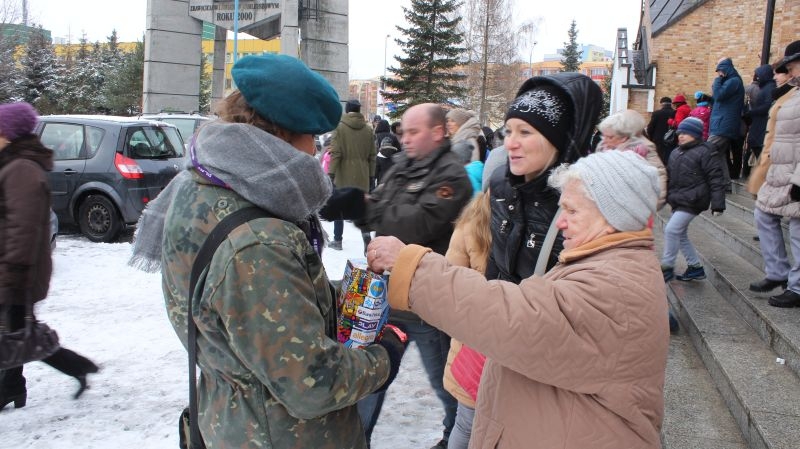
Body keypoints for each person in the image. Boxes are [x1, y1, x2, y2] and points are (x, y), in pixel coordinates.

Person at [130, 54, 406, 448]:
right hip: (280, 435)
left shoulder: (203, 183)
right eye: (312, 137)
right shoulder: (259, 243)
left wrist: (349, 294)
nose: (315, 152)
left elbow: (254, 311)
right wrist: (385, 356)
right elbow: (312, 383)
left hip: (236, 418)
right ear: (283, 135)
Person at [367, 150, 669, 449]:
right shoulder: (612, 263)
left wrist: (413, 267)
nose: (561, 223)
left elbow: (515, 317)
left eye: (573, 211)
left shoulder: (615, 285)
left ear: (613, 215)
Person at [320, 103, 472, 449]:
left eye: (414, 132)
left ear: (438, 132)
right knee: (370, 379)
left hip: (425, 304)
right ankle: (356, 440)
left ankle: (455, 438)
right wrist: (356, 204)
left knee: (446, 383)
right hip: (386, 295)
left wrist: (366, 206)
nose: (405, 139)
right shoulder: (404, 164)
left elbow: (416, 225)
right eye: (403, 131)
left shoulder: (452, 176)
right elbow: (381, 205)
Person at [0, 102, 99, 410]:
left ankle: (15, 386)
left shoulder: (22, 169)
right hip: (13, 266)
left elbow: (24, 227)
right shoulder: (13, 163)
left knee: (16, 328)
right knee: (17, 330)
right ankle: (15, 386)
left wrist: (13, 276)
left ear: (9, 133)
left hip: (16, 268)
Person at [750, 40, 800, 308]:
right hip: (781, 169)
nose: (788, 71)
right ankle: (778, 271)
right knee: (764, 213)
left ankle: (797, 287)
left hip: (794, 172)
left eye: (792, 66)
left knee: (798, 228)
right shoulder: (792, 92)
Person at [441, 192, 491, 449]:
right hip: (485, 347)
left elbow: (452, 288)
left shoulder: (470, 221)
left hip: (473, 345)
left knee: (466, 423)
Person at [660, 117, 726, 282]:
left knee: (671, 230)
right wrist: (663, 196)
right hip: (678, 199)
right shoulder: (675, 152)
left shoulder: (706, 151)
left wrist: (718, 204)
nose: (681, 136)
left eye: (686, 133)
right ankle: (695, 267)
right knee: (680, 234)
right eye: (680, 132)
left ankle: (667, 267)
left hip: (694, 199)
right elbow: (669, 177)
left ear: (696, 134)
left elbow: (716, 178)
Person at [328, 99, 376, 251]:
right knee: (361, 207)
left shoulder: (339, 128)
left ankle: (337, 240)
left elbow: (336, 153)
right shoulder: (368, 130)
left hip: (343, 174)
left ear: (347, 109)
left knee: (340, 206)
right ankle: (366, 236)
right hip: (363, 174)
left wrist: (331, 174)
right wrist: (371, 176)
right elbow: (372, 155)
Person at [746, 61, 800, 197]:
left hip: (783, 160)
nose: (774, 77)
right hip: (773, 151)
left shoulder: (787, 95)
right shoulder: (779, 93)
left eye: (778, 73)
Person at [597, 109, 667, 209]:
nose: (604, 140)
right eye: (603, 136)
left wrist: (651, 206)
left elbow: (658, 175)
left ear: (624, 137)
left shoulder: (643, 148)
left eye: (610, 137)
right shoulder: (603, 147)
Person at [708, 57, 745, 183]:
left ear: (724, 69)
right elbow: (719, 99)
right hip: (722, 124)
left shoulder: (733, 81)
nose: (718, 73)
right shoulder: (731, 82)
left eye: (719, 71)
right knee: (719, 156)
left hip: (723, 126)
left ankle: (701, 181)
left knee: (707, 151)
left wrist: (717, 80)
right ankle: (725, 183)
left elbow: (719, 95)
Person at [742, 64, 776, 178]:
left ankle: (758, 177)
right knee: (753, 148)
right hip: (758, 123)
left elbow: (767, 105)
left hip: (761, 124)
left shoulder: (769, 88)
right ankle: (749, 174)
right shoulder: (765, 87)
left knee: (759, 152)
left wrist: (752, 112)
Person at [446, 109, 484, 195]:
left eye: (453, 121)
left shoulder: (469, 140)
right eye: (448, 121)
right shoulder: (456, 139)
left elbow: (474, 169)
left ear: (460, 123)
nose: (448, 124)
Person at [647, 96, 676, 164]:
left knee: (658, 161)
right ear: (671, 104)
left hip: (658, 140)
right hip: (672, 140)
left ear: (661, 104)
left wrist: (651, 138)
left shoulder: (656, 113)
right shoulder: (675, 113)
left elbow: (650, 128)